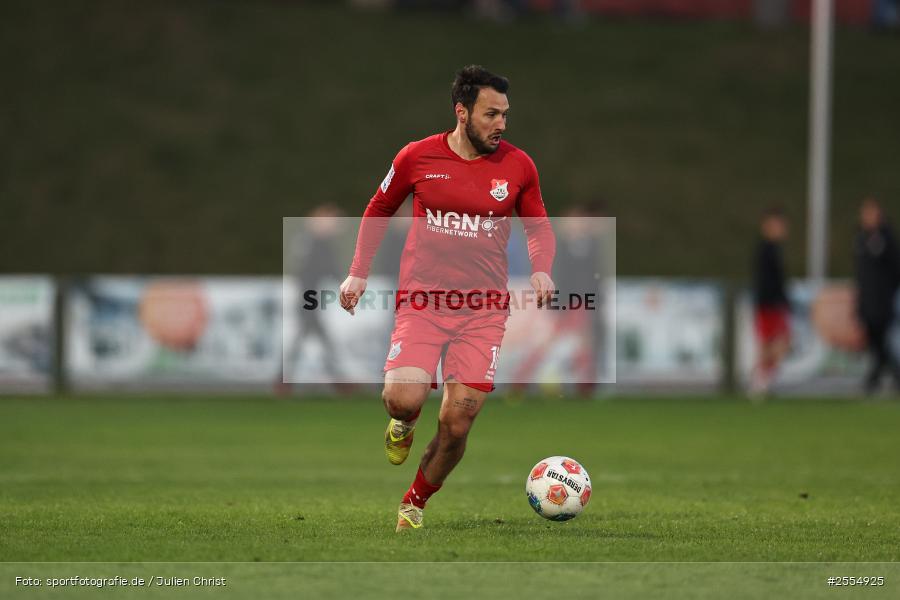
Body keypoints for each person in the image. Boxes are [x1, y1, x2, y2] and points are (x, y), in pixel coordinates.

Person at [339, 65, 556, 531]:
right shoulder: (417, 157)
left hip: (483, 313)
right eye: (491, 114)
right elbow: (379, 208)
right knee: (401, 399)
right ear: (462, 112)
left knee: (458, 424)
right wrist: (357, 274)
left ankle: (414, 503)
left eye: (505, 114)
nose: (501, 124)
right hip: (424, 303)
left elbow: (537, 225)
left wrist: (540, 269)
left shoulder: (519, 166)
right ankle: (403, 422)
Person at [855, 198, 900, 394]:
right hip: (867, 301)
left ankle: (872, 380)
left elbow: (895, 269)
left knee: (881, 343)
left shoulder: (886, 239)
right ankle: (882, 378)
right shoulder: (861, 239)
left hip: (882, 301)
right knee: (876, 344)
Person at [751, 208, 791, 396]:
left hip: (773, 303)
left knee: (779, 341)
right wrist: (778, 300)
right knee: (770, 342)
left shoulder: (774, 250)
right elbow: (766, 281)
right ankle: (761, 379)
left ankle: (765, 377)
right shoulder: (765, 250)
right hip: (768, 304)